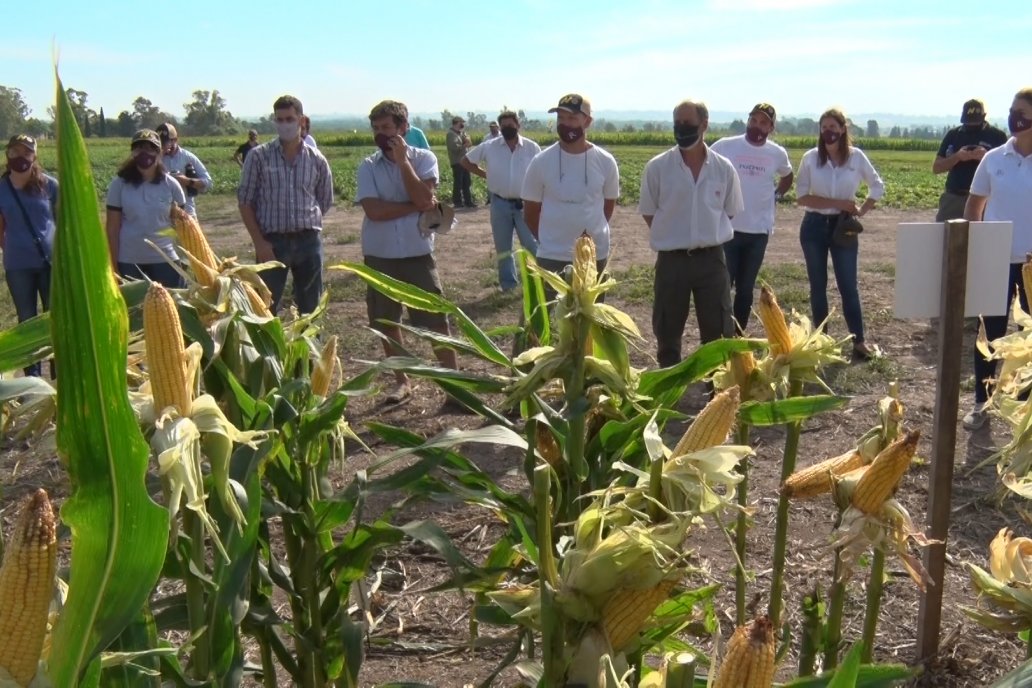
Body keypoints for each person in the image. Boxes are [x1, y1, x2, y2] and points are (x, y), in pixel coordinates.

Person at [356, 99, 458, 405]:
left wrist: (403, 163)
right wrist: (412, 206)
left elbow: (425, 199)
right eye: (376, 128)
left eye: (387, 127)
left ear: (403, 128)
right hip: (380, 255)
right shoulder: (367, 166)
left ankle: (454, 385)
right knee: (387, 323)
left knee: (435, 320)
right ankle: (403, 382)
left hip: (417, 253)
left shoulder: (424, 159)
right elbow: (373, 210)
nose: (381, 134)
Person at [639, 99, 743, 367]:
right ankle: (669, 394)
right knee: (668, 332)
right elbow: (650, 212)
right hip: (672, 261)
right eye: (678, 124)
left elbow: (729, 211)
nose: (682, 129)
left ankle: (716, 396)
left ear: (704, 125)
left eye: (688, 124)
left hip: (711, 261)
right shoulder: (657, 168)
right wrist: (676, 237)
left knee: (718, 333)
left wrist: (703, 235)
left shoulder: (723, 168)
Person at [962, 87, 1032, 430]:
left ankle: (1022, 408)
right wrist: (978, 244)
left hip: (1031, 266)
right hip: (995, 260)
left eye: (1022, 112)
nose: (1014, 117)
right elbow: (974, 205)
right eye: (1012, 110)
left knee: (1028, 338)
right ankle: (981, 403)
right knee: (987, 336)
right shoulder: (994, 159)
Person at [795, 108, 885, 361]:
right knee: (818, 285)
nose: (828, 132)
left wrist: (862, 209)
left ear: (843, 129)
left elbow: (877, 185)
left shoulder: (856, 158)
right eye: (824, 128)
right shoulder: (811, 158)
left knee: (848, 286)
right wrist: (838, 202)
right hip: (813, 226)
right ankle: (822, 340)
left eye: (833, 127)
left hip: (843, 227)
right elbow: (802, 197)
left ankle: (859, 340)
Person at [238, 95, 334, 314]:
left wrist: (305, 220)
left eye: (289, 119)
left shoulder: (316, 159)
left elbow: (324, 200)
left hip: (308, 242)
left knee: (310, 309)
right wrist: (259, 242)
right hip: (271, 243)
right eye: (279, 120)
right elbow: (245, 202)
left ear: (301, 120)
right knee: (265, 307)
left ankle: (310, 349)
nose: (284, 125)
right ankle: (268, 349)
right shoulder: (258, 157)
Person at [711, 103, 794, 333]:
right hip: (729, 228)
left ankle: (739, 334)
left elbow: (787, 176)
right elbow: (706, 163)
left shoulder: (776, 153)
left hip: (758, 231)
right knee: (723, 284)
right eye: (754, 120)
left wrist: (777, 194)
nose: (757, 125)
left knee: (746, 288)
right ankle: (721, 332)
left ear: (771, 128)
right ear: (748, 121)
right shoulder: (727, 146)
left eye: (764, 122)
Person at [521, 93, 620, 281]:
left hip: (592, 255)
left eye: (572, 118)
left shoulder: (605, 162)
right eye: (561, 118)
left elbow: (607, 208)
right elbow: (530, 213)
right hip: (552, 256)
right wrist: (550, 240)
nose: (565, 124)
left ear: (587, 121)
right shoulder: (541, 162)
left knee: (590, 310)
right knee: (553, 310)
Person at [461, 110, 541, 291]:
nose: (507, 129)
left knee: (530, 245)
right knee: (503, 248)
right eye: (503, 126)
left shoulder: (531, 148)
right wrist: (485, 174)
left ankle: (537, 282)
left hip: (525, 204)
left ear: (518, 126)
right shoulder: (489, 146)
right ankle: (508, 285)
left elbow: (540, 173)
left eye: (510, 126)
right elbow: (465, 161)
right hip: (499, 203)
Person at [0, 135, 58, 377]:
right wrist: (12, 247)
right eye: (15, 152)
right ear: (7, 155)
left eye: (26, 152)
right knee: (27, 321)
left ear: (34, 156)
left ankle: (58, 373)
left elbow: (62, 221)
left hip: (50, 263)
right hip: (18, 265)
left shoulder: (50, 185)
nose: (20, 157)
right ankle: (32, 377)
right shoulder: (1, 188)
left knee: (53, 318)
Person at [105, 129, 187, 288]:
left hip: (165, 259)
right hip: (129, 260)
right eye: (139, 148)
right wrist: (113, 266)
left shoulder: (171, 185)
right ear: (132, 152)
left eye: (150, 148)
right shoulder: (119, 185)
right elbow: (112, 229)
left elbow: (182, 228)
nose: (144, 153)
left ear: (159, 152)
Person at [933, 99, 1008, 222]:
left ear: (984, 117)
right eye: (968, 123)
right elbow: (936, 167)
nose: (971, 126)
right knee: (945, 237)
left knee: (982, 239)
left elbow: (1008, 168)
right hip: (954, 197)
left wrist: (986, 157)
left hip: (985, 199)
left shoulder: (997, 136)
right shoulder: (953, 135)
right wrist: (957, 157)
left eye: (975, 123)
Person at [156, 123, 213, 218]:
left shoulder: (188, 157)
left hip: (187, 212)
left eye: (166, 142)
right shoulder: (155, 159)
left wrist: (186, 181)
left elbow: (208, 182)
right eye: (159, 143)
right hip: (162, 215)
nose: (164, 146)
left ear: (175, 140)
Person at [446, 116, 475, 208]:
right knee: (458, 182)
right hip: (457, 162)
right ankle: (457, 202)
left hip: (465, 161)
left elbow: (468, 140)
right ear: (456, 122)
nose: (463, 124)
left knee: (467, 182)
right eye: (461, 122)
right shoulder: (451, 134)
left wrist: (467, 140)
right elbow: (454, 148)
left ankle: (468, 201)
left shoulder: (461, 133)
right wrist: (465, 145)